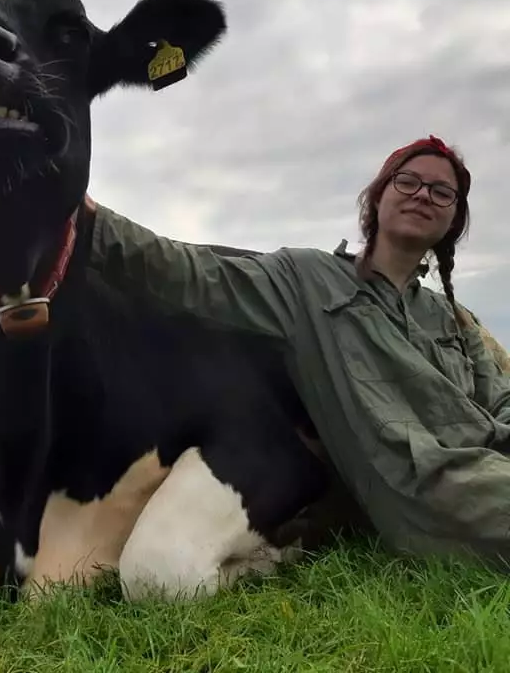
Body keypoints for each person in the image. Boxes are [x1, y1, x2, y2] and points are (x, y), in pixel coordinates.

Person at [85, 135, 510, 571]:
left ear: (453, 219)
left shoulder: (450, 316)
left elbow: (500, 399)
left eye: (442, 192)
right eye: (408, 182)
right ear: (378, 198)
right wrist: (90, 222)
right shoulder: (307, 281)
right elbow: (195, 274)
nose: (423, 194)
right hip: (434, 486)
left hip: (493, 458)